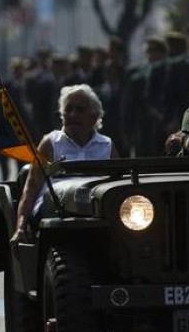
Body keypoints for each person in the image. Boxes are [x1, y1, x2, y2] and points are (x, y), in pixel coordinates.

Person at [14, 84, 116, 240]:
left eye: (80, 110)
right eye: (68, 109)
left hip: (96, 216)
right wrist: (20, 228)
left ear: (94, 117)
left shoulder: (107, 146)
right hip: (53, 216)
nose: (73, 114)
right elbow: (31, 189)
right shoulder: (50, 143)